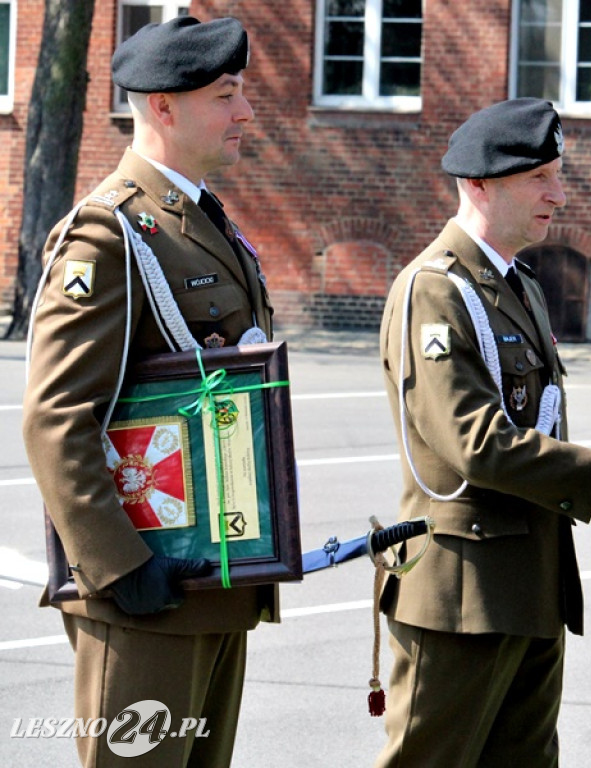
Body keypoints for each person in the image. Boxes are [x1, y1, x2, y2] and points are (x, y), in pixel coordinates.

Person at [376, 97, 591, 767]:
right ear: (479, 184)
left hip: (530, 583)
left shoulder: (519, 285)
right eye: (539, 177)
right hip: (462, 594)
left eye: (558, 174)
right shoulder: (435, 290)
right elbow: (475, 445)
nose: (560, 195)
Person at [22, 16, 275, 767]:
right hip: (147, 589)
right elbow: (57, 419)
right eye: (227, 95)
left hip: (214, 580)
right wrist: (120, 567)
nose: (246, 113)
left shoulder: (204, 224)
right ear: (163, 106)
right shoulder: (109, 233)